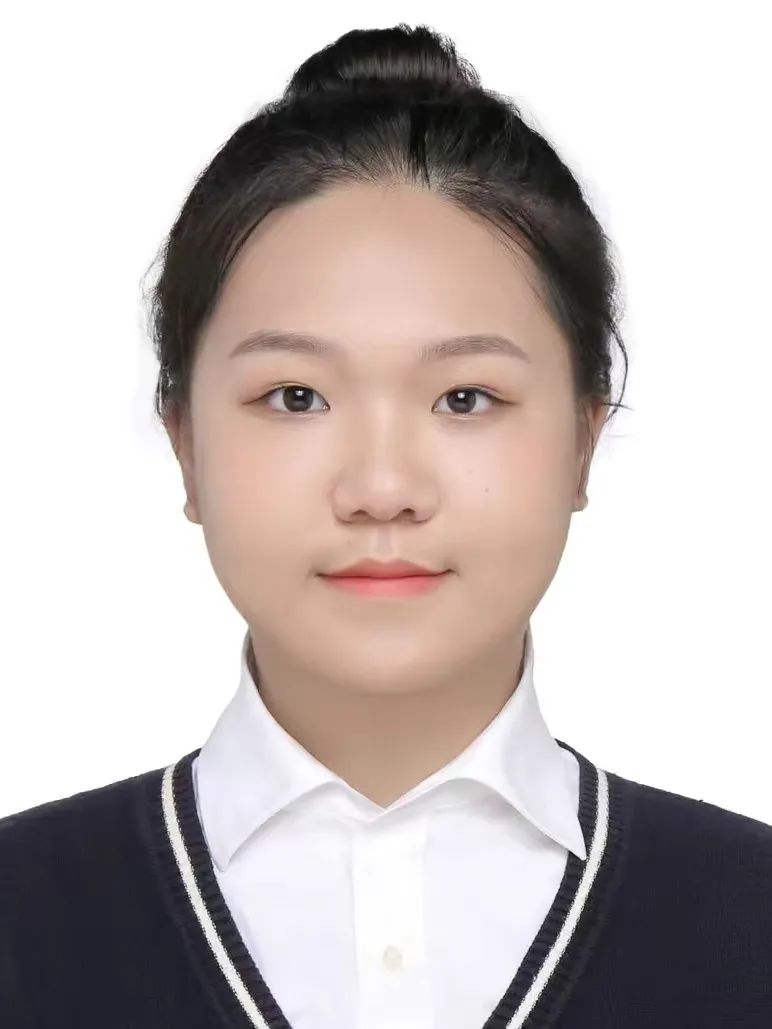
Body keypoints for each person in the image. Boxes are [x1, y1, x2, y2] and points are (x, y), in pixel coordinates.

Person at [1, 22, 770, 1029]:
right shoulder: (23, 917)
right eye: (295, 397)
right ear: (183, 442)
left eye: (464, 398)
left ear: (584, 440)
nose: (380, 488)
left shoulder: (748, 919)